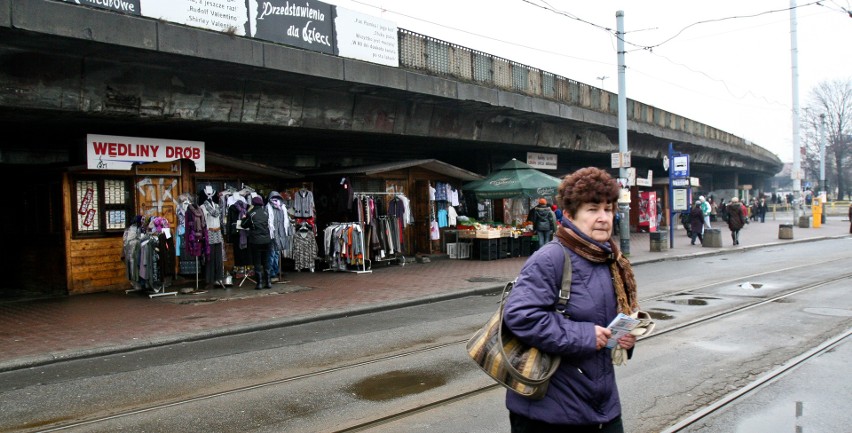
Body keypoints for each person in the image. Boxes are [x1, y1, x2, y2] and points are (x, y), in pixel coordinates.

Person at [503, 167, 639, 432]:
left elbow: (607, 323)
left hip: (602, 404)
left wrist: (623, 339)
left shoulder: (611, 261)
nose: (603, 218)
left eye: (608, 209)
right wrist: (586, 335)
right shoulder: (551, 258)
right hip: (549, 412)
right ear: (568, 215)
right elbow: (520, 316)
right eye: (592, 209)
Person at [241, 195, 272, 290]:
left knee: (257, 262)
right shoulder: (266, 212)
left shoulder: (251, 213)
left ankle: (259, 283)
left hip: (256, 241)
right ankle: (268, 282)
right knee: (266, 261)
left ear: (253, 203)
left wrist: (243, 218)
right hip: (267, 240)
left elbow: (244, 224)